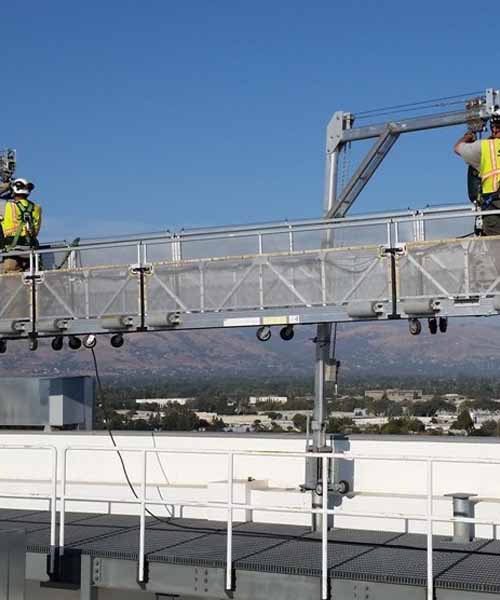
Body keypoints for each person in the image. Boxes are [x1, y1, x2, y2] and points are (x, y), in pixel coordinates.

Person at [454, 113, 500, 235]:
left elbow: (458, 148)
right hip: (493, 205)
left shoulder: (485, 146)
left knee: (494, 247)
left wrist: (468, 136)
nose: (494, 130)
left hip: (494, 207)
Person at [0, 178, 41, 273]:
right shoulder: (37, 208)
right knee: (31, 281)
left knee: (13, 282)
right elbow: (36, 231)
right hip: (31, 251)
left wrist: (6, 186)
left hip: (12, 252)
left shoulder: (6, 206)